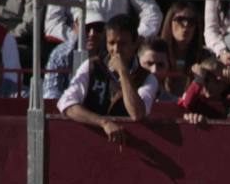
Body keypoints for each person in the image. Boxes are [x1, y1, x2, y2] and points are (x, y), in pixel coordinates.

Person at [57, 12, 158, 141]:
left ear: (136, 43)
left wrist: (123, 72)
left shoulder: (147, 78)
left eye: (122, 44)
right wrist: (103, 122)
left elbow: (137, 113)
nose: (116, 49)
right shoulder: (91, 67)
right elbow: (67, 104)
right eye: (111, 43)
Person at [44, 0, 161, 45]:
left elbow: (152, 12)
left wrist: (135, 39)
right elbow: (52, 24)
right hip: (78, 51)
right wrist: (79, 41)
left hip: (117, 49)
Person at [43, 9, 105, 101]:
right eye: (87, 28)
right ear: (75, 27)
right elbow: (51, 93)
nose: (92, 34)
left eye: (98, 28)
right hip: (66, 111)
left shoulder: (111, 51)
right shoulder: (61, 54)